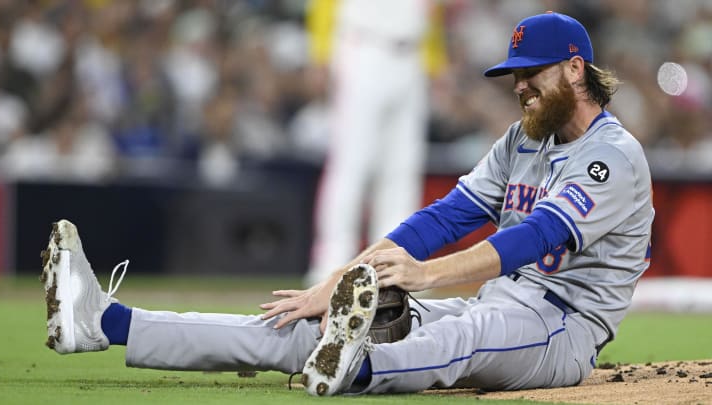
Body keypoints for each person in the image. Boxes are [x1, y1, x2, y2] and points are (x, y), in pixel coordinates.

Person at [42, 12, 654, 396]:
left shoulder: (614, 155)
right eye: (513, 73)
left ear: (576, 71)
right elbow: (442, 219)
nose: (518, 85)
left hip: (561, 328)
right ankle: (103, 322)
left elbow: (536, 237)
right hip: (498, 301)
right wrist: (337, 284)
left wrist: (427, 276)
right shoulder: (523, 139)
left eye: (532, 71)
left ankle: (355, 373)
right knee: (299, 326)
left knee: (467, 334)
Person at [303, 0, 447, 286]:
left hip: (411, 55)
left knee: (402, 170)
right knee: (351, 165)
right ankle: (330, 265)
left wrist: (434, 60)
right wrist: (320, 52)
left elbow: (429, 8)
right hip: (363, 47)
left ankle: (393, 267)